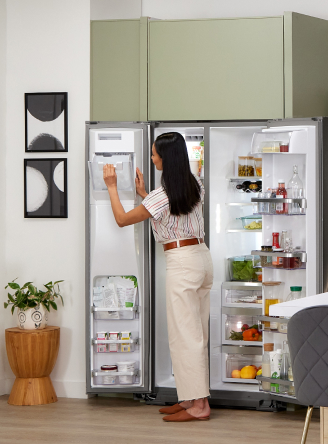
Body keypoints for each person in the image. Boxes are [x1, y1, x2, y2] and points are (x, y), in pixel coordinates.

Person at [102, 132, 213, 422]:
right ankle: (190, 398)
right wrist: (144, 195)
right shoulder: (194, 184)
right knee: (196, 333)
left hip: (182, 262)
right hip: (201, 258)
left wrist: (112, 187)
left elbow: (123, 219)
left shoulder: (161, 196)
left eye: (154, 154)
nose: (152, 158)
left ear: (166, 158)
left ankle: (200, 406)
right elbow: (171, 209)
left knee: (184, 335)